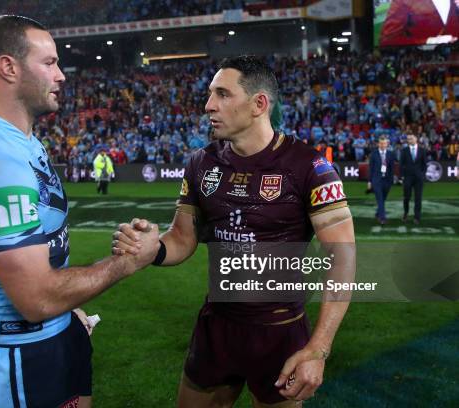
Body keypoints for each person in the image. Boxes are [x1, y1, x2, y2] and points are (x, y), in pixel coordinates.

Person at [0, 15, 158, 408]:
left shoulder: (26, 144)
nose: (60, 75)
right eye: (49, 62)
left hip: (56, 334)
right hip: (19, 357)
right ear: (8, 67)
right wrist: (127, 262)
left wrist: (68, 312)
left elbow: (50, 256)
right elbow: (36, 298)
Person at [113, 56, 355, 407]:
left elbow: (343, 258)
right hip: (217, 326)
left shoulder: (310, 167)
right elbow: (181, 239)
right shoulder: (201, 162)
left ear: (259, 104)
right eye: (211, 94)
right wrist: (152, 248)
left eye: (223, 94)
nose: (209, 105)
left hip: (280, 331)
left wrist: (319, 348)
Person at [400, 132, 426, 224]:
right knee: (406, 197)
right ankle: (406, 213)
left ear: (416, 139)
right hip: (407, 178)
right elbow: (401, 164)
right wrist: (402, 176)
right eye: (408, 139)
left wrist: (422, 175)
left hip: (418, 179)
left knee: (418, 198)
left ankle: (417, 217)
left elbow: (424, 164)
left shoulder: (422, 150)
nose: (409, 140)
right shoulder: (404, 150)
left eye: (411, 138)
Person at [368, 136, 395, 225]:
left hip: (387, 180)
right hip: (377, 180)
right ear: (378, 144)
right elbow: (371, 168)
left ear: (387, 144)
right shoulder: (373, 154)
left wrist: (391, 180)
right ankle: (382, 218)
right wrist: (369, 181)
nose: (383, 145)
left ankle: (377, 213)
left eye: (384, 143)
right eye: (381, 143)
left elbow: (392, 168)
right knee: (380, 198)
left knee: (383, 199)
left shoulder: (391, 154)